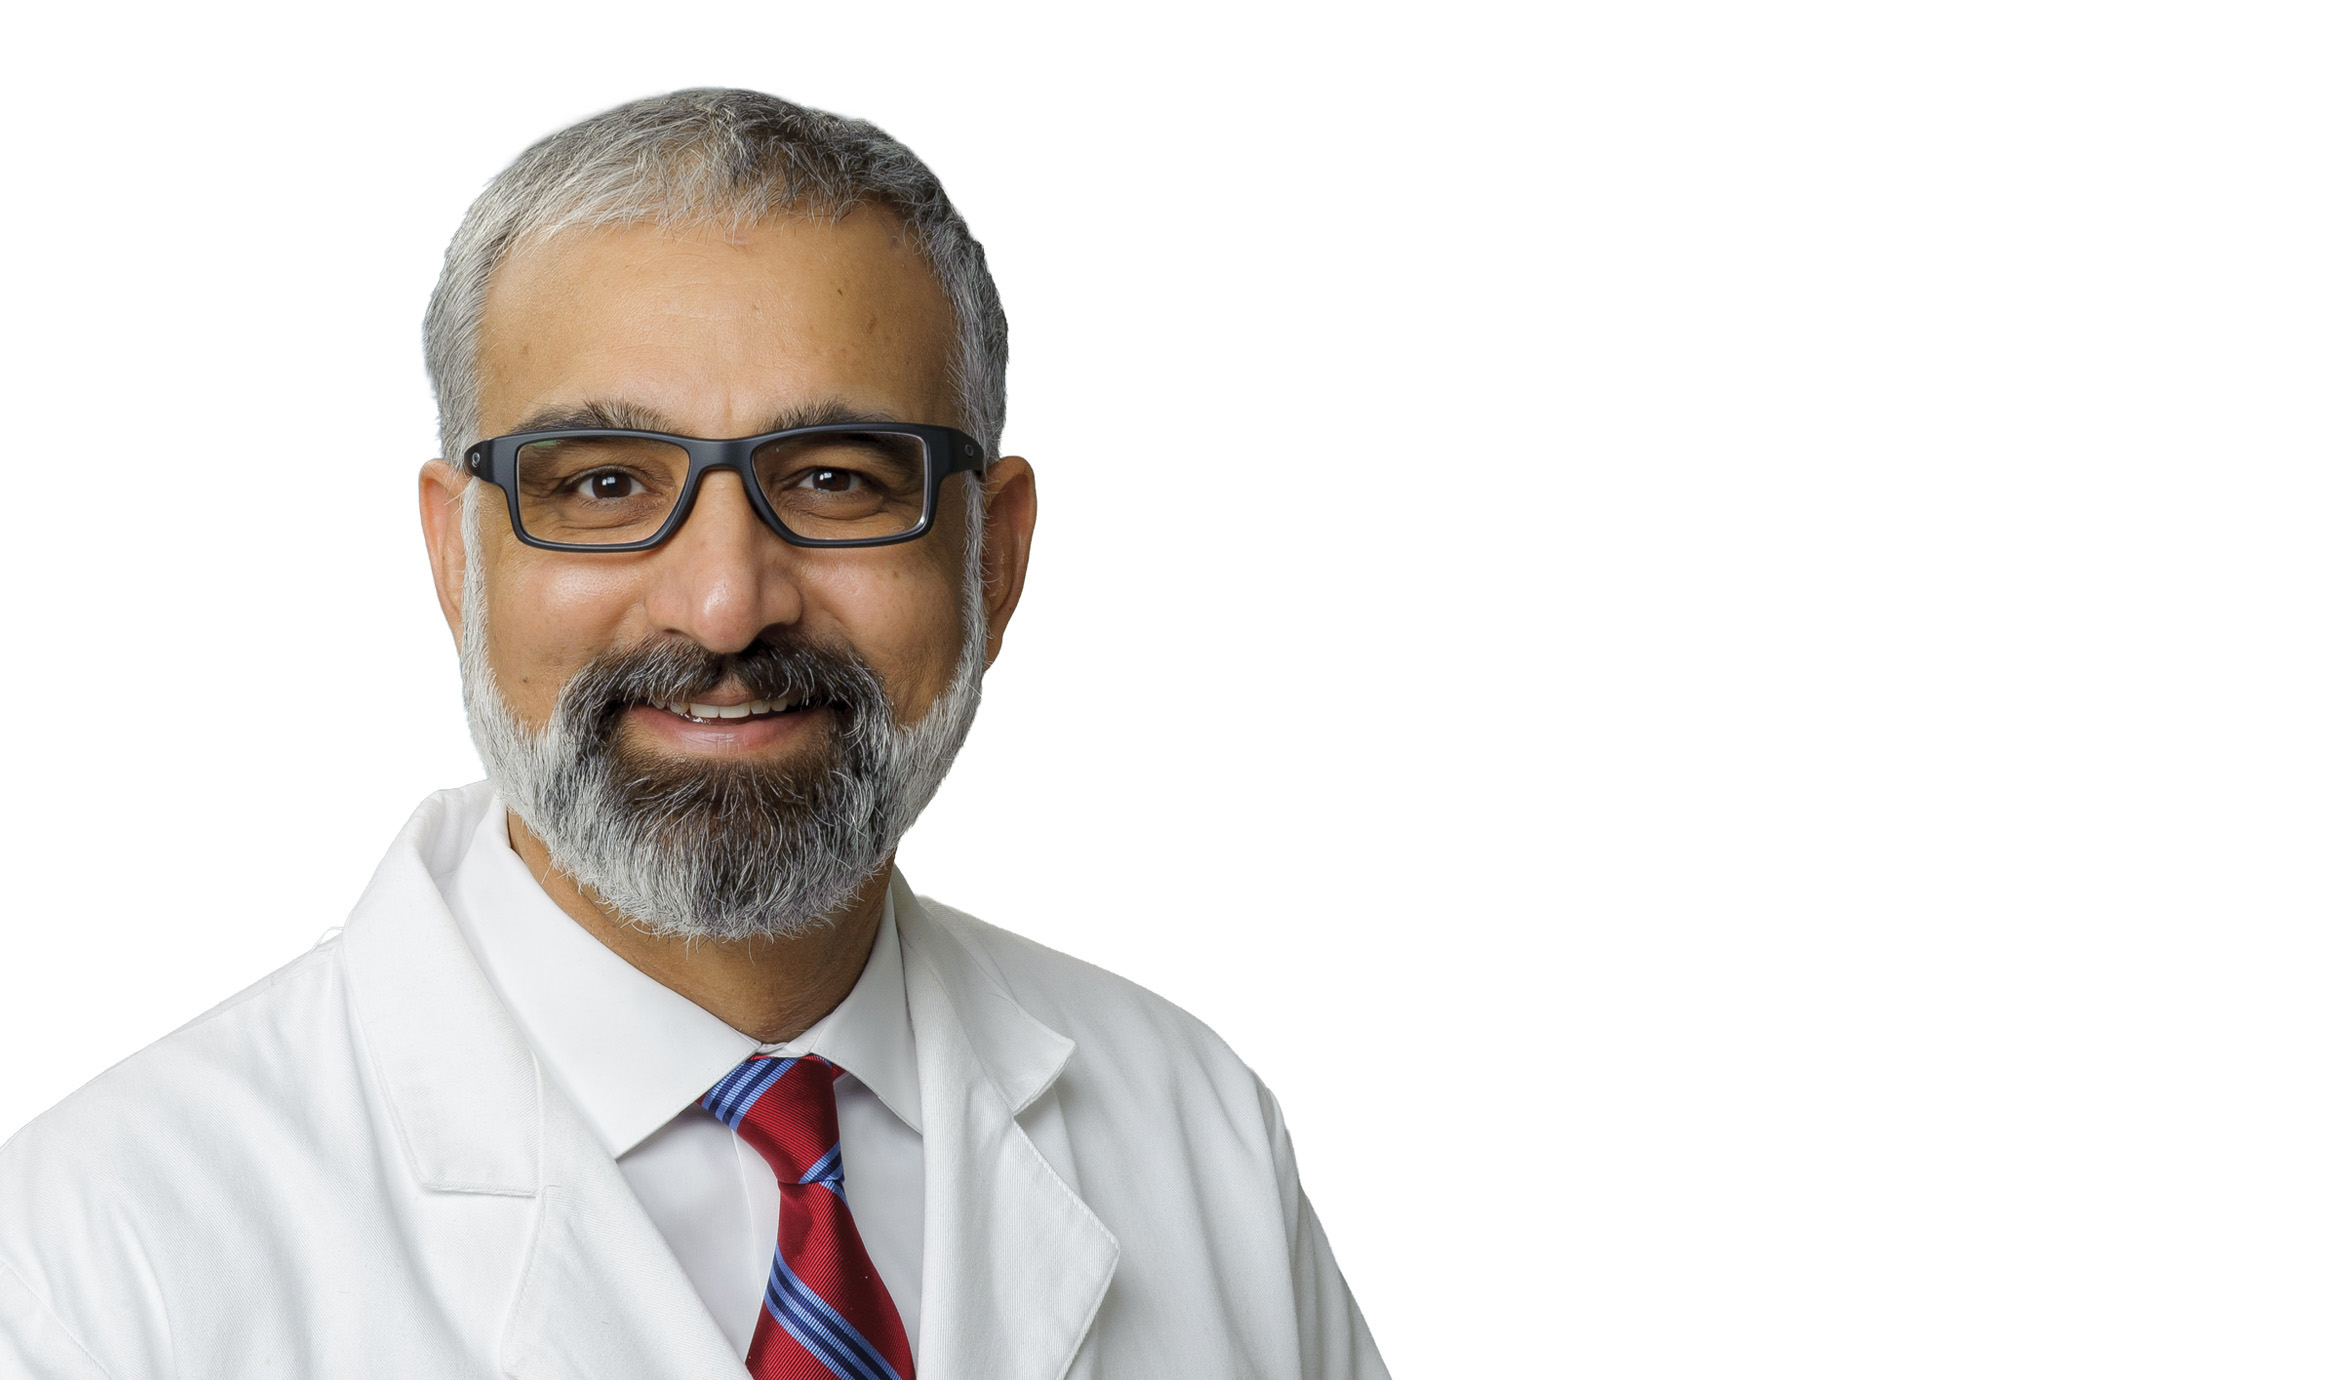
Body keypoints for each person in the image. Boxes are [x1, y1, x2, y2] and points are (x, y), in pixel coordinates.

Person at [0, 89, 1386, 1380]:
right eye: (604, 483)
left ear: (995, 559)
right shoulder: (96, 1258)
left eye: (836, 480)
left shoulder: (1194, 1128)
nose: (725, 604)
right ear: (455, 559)